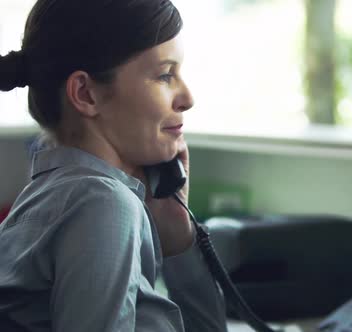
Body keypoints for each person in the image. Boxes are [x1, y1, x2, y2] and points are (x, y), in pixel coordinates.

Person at [0, 0, 228, 331]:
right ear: (86, 94)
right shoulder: (104, 204)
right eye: (165, 75)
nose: (187, 98)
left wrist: (179, 240)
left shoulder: (51, 199)